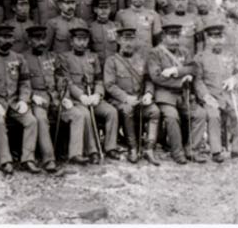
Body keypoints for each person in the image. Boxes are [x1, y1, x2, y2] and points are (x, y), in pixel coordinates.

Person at [0, 25, 40, 175]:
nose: (8, 40)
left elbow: (25, 83)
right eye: (4, 37)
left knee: (31, 120)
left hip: (14, 102)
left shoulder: (19, 58)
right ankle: (6, 161)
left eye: (10, 37)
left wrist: (24, 100)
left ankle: (28, 159)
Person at [194, 23, 238, 161]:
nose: (217, 40)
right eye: (213, 37)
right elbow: (198, 81)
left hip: (229, 96)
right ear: (207, 39)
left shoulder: (230, 55)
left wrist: (235, 79)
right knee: (213, 115)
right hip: (211, 96)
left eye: (219, 36)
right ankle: (216, 151)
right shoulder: (199, 58)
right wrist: (206, 96)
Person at [59, 27, 119, 163]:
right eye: (78, 40)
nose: (82, 43)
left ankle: (110, 147)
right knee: (85, 114)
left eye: (85, 40)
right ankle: (92, 150)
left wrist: (98, 94)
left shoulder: (93, 57)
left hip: (93, 96)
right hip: (76, 99)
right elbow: (67, 82)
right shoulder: (64, 58)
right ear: (71, 41)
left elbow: (98, 79)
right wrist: (81, 96)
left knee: (111, 112)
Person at [146, 23, 201, 164]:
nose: (175, 40)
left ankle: (191, 149)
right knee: (172, 117)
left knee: (199, 114)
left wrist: (176, 71)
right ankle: (177, 152)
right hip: (164, 95)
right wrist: (181, 80)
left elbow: (194, 68)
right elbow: (156, 77)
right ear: (164, 37)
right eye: (172, 36)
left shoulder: (184, 51)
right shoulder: (155, 53)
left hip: (183, 95)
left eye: (177, 36)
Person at [104, 28, 160, 165]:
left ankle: (149, 149)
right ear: (118, 40)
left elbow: (148, 80)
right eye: (125, 39)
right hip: (120, 101)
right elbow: (109, 85)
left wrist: (148, 93)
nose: (128, 43)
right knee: (128, 109)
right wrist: (125, 98)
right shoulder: (112, 61)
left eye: (131, 39)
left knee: (155, 111)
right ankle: (132, 148)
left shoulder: (141, 60)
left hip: (139, 99)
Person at [22, 25, 62, 172]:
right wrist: (32, 96)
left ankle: (75, 152)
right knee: (40, 118)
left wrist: (63, 95)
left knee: (74, 113)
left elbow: (61, 77)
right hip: (36, 97)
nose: (41, 42)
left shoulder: (52, 56)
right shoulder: (23, 58)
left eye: (43, 38)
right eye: (37, 39)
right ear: (29, 41)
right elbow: (20, 83)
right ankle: (49, 159)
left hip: (54, 95)